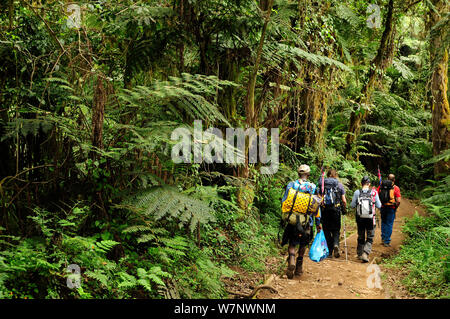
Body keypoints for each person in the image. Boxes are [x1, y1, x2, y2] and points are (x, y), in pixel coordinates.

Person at [281, 164, 322, 278]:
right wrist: (318, 222)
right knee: (303, 243)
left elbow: (284, 202)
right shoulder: (313, 187)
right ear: (308, 175)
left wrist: (285, 216)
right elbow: (316, 207)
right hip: (306, 222)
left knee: (292, 242)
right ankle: (299, 267)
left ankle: (292, 259)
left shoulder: (291, 185)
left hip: (292, 220)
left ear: (298, 174)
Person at [350, 176, 381, 263]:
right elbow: (379, 205)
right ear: (369, 184)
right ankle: (365, 253)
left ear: (361, 183)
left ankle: (360, 253)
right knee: (370, 237)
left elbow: (352, 205)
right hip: (371, 219)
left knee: (361, 236)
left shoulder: (357, 192)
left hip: (360, 219)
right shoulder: (374, 192)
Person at [317, 169, 347, 258]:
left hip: (325, 210)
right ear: (335, 175)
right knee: (336, 230)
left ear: (328, 175)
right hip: (336, 210)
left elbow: (318, 197)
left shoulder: (322, 184)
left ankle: (329, 251)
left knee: (326, 230)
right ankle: (336, 244)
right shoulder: (339, 185)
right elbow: (344, 200)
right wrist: (344, 209)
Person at [377, 174, 401, 247]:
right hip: (391, 207)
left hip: (383, 207)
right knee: (389, 223)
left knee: (384, 222)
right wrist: (396, 206)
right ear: (394, 180)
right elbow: (398, 200)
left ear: (387, 178)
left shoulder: (381, 186)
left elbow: (376, 196)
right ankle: (387, 241)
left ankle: (383, 238)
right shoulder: (396, 188)